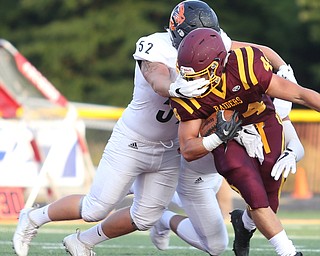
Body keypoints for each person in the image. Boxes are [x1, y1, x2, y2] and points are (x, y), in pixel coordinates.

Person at [12, 1, 303, 256]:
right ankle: (33, 217)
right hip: (134, 140)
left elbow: (257, 49)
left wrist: (282, 67)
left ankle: (82, 243)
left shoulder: (213, 42)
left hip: (171, 151)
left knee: (145, 217)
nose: (202, 44)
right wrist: (176, 87)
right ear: (177, 34)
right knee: (94, 209)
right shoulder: (156, 46)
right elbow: (155, 77)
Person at [171, 27, 320, 256]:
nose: (192, 80)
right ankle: (289, 253)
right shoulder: (189, 94)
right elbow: (188, 148)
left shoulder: (246, 66)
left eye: (199, 73)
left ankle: (244, 224)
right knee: (250, 187)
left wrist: (291, 152)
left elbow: (300, 95)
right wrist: (217, 138)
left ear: (218, 64)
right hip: (224, 137)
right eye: (188, 73)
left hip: (262, 123)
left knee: (269, 203)